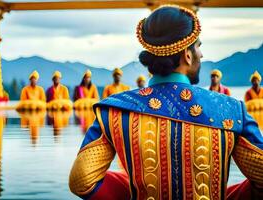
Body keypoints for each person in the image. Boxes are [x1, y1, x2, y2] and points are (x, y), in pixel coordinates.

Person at [69, 5, 263, 200]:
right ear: (187, 54)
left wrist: (133, 188)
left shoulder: (113, 111)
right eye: (198, 47)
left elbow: (82, 181)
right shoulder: (230, 110)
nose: (201, 55)